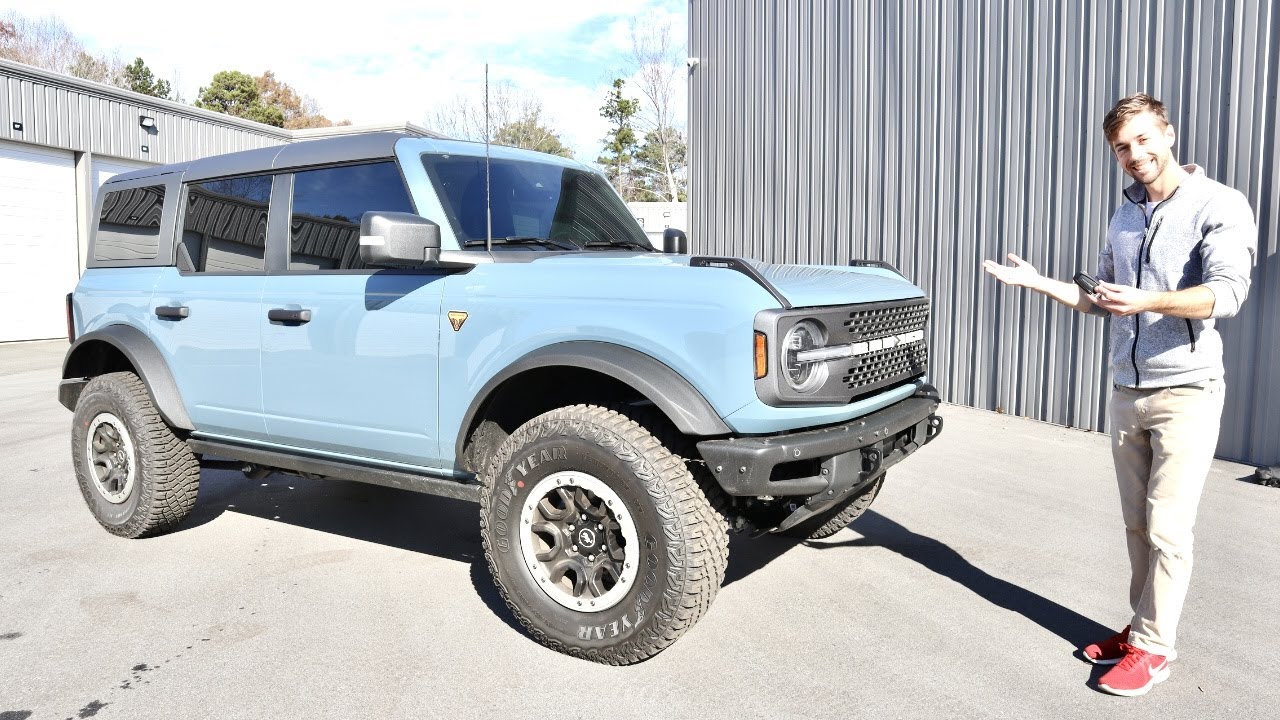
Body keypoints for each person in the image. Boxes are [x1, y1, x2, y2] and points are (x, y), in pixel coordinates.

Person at [983, 93, 1257, 697]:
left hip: (1186, 390)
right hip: (1126, 390)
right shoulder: (1125, 212)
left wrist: (1151, 300)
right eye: (1121, 148)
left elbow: (1227, 294)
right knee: (1136, 524)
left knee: (1167, 527)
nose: (1135, 155)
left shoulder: (1219, 204)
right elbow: (1100, 298)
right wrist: (1038, 283)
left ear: (1169, 133)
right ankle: (1140, 628)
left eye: (1143, 139)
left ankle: (1156, 649)